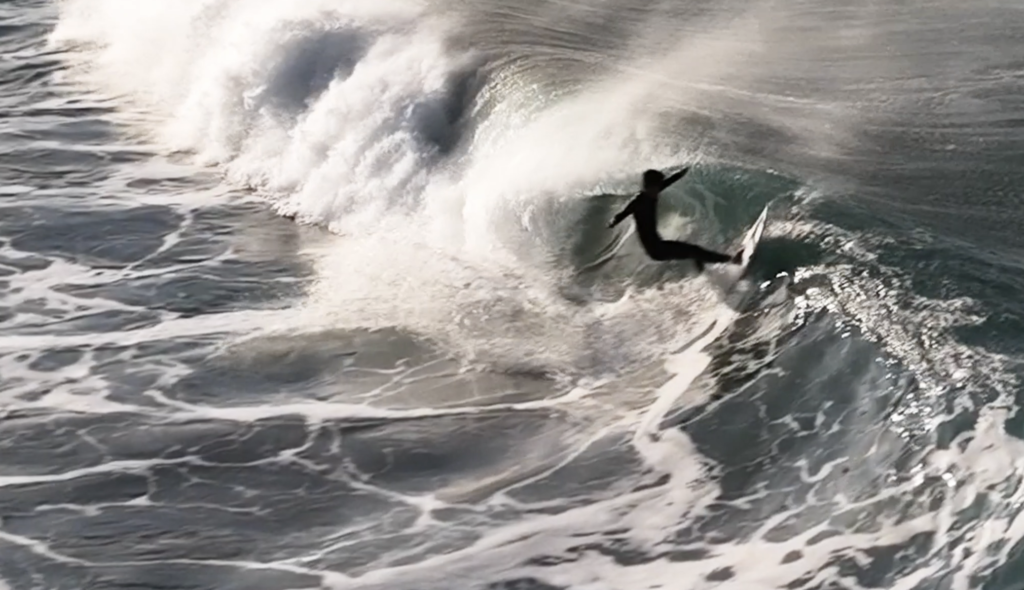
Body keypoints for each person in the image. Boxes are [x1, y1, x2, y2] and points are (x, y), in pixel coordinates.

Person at [608, 168, 742, 272]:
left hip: (659, 245)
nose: (658, 191)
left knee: (694, 252)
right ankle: (731, 260)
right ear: (648, 186)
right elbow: (623, 214)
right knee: (694, 251)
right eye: (656, 187)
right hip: (656, 250)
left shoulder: (652, 192)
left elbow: (669, 181)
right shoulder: (638, 201)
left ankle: (706, 276)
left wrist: (683, 172)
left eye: (658, 187)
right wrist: (613, 221)